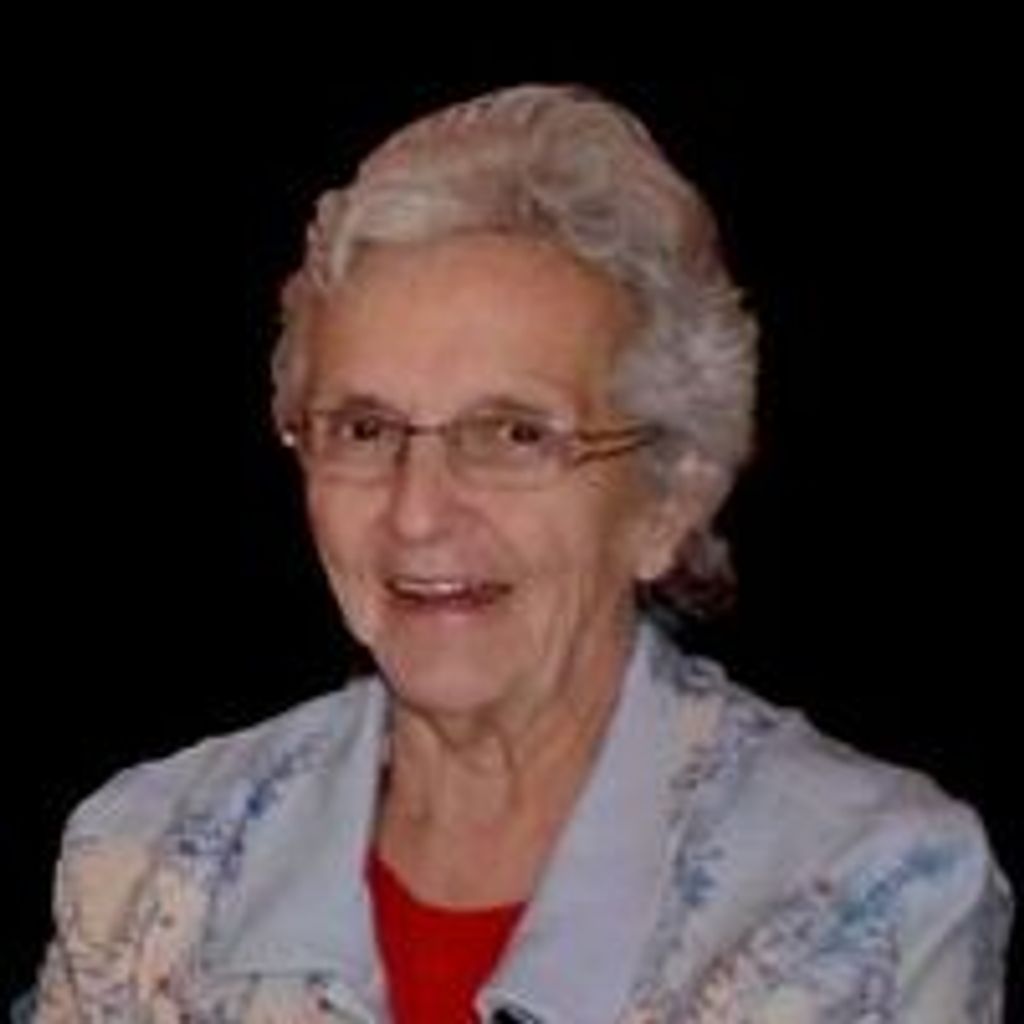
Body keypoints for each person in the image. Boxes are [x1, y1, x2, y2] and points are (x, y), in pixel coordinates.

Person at [26, 84, 1012, 1023]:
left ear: (668, 495)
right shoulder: (143, 861)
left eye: (512, 434)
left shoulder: (859, 886)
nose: (417, 513)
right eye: (365, 429)